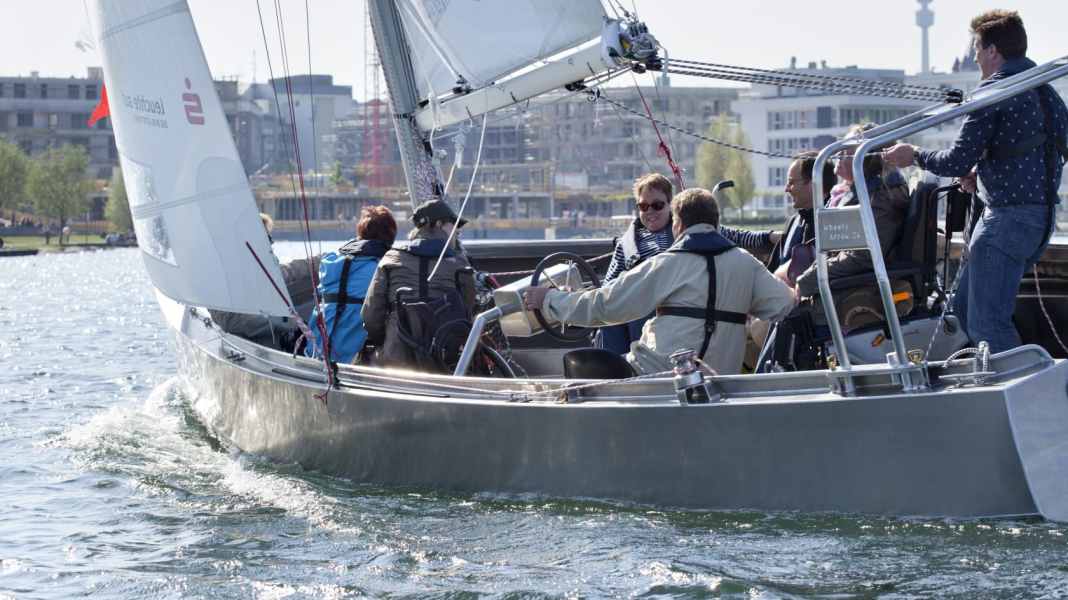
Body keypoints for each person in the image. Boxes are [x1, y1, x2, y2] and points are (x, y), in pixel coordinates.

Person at [883, 10, 1068, 353]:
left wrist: (916, 155)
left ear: (993, 51)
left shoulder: (992, 93)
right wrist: (983, 174)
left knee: (987, 324)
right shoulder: (1047, 94)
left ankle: (1025, 396)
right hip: (1039, 223)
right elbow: (1044, 150)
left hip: (1005, 224)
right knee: (963, 312)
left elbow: (955, 160)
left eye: (977, 51)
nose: (975, 59)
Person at [524, 188, 796, 376]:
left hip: (657, 376)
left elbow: (606, 306)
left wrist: (549, 300)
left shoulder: (667, 263)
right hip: (721, 383)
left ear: (678, 224)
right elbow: (785, 305)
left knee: (584, 366)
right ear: (716, 221)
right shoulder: (745, 263)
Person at [598, 173, 782, 355]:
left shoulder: (689, 229)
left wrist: (770, 236)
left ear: (670, 205)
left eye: (657, 205)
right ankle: (615, 372)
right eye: (643, 206)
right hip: (640, 301)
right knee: (609, 322)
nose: (650, 212)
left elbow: (737, 236)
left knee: (644, 313)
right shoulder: (628, 243)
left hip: (676, 303)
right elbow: (609, 284)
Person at [795, 125, 913, 330]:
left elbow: (863, 255)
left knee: (786, 322)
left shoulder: (882, 199)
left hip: (856, 290)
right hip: (847, 282)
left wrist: (809, 280)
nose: (838, 154)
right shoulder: (870, 193)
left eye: (846, 150)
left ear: (866, 157)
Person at [361, 199, 477, 370]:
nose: (457, 231)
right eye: (454, 225)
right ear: (439, 224)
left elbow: (371, 315)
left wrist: (385, 341)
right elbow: (469, 311)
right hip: (446, 361)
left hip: (396, 360)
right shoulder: (459, 262)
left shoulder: (391, 258)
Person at [305, 205, 396, 363]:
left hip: (316, 350)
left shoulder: (332, 261)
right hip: (352, 359)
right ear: (390, 235)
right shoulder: (381, 269)